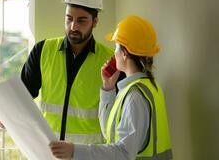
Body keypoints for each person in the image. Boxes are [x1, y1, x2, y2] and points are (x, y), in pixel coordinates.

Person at [49, 15, 173, 160]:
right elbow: (110, 134)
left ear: (124, 53)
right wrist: (108, 88)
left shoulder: (135, 97)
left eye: (116, 47)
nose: (114, 53)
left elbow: (123, 153)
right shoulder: (149, 87)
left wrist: (75, 151)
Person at [21, 0, 122, 144]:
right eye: (69, 19)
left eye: (81, 20)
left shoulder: (112, 61)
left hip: (89, 155)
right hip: (50, 152)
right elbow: (23, 94)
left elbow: (119, 116)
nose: (73, 26)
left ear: (95, 21)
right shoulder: (42, 50)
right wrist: (2, 112)